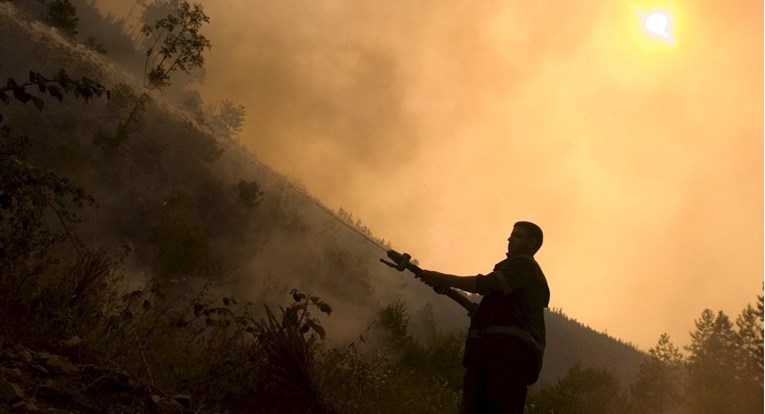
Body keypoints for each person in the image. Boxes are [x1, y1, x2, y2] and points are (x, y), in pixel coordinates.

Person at [419, 221, 550, 414]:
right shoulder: (517, 274)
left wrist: (441, 278)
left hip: (506, 361)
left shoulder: (525, 265)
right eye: (511, 235)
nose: (510, 239)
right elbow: (501, 308)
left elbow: (487, 284)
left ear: (532, 243)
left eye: (517, 235)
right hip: (492, 359)